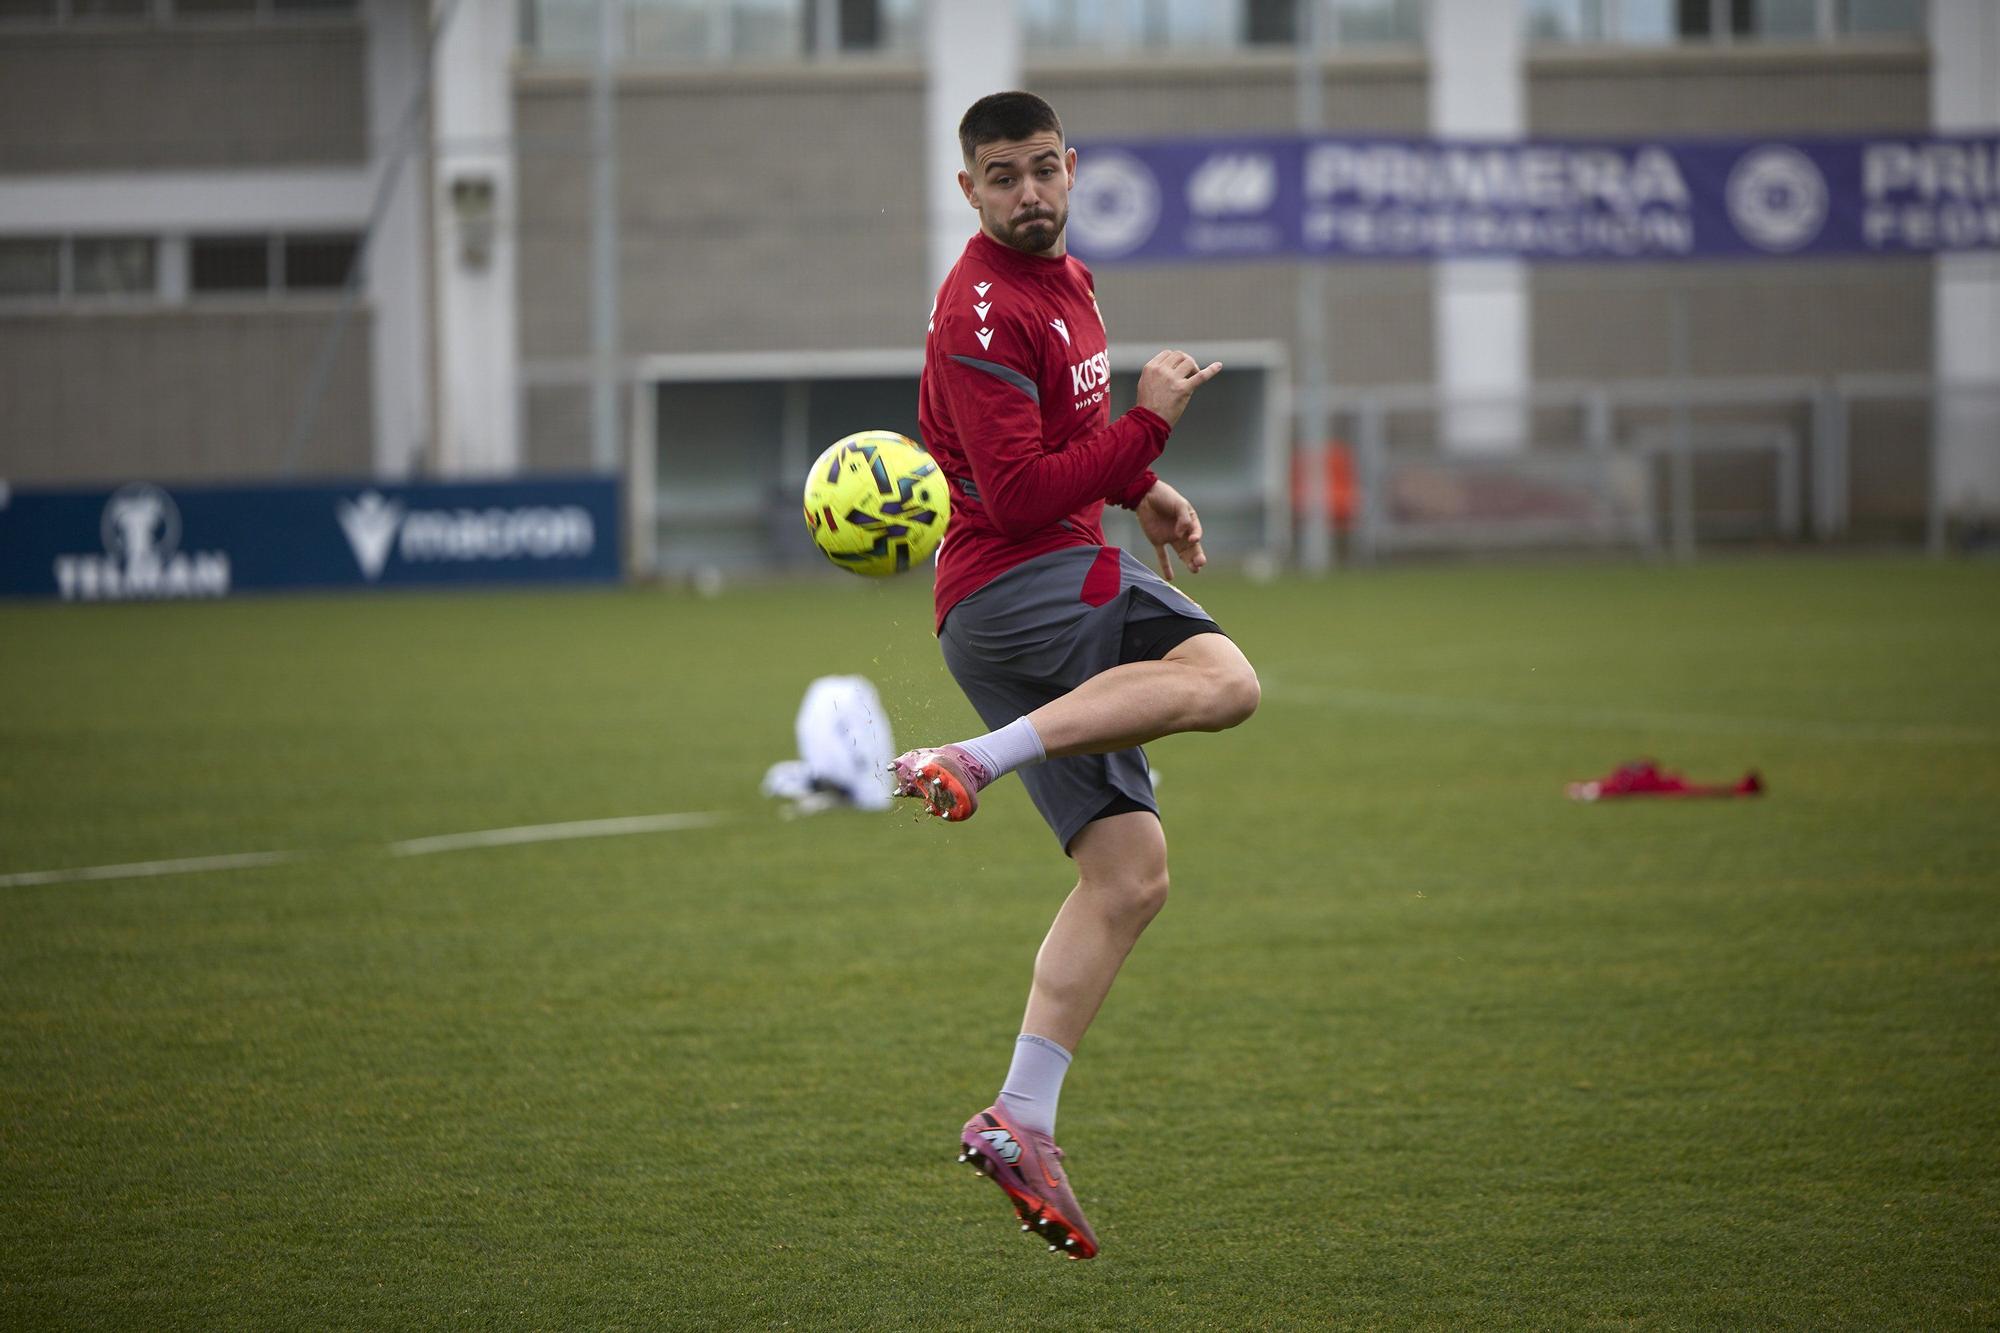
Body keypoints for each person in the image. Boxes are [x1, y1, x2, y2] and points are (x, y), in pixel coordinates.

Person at [892, 91, 1260, 1261]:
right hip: (1022, 583)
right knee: (1224, 679)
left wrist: (1132, 487)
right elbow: (1010, 497)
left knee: (1127, 877)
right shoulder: (980, 311)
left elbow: (1056, 450)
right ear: (969, 192)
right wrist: (1147, 434)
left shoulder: (1071, 281)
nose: (1031, 193)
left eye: (1045, 169)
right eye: (1003, 177)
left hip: (1016, 594)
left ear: (1070, 166)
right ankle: (971, 759)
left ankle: (1019, 1118)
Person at [759, 675, 895, 817]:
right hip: (847, 777)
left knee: (873, 792)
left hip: (822, 695)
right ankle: (836, 789)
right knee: (874, 795)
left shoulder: (823, 691)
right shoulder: (853, 694)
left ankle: (832, 787)